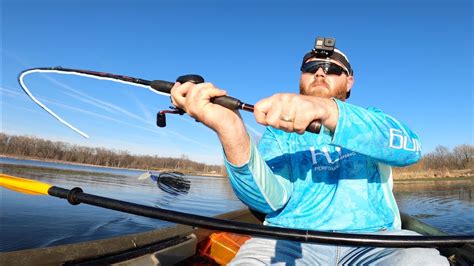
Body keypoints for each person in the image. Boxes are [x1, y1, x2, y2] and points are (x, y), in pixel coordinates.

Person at [170, 37, 448, 265]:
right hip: (288, 241)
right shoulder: (278, 134)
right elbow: (268, 202)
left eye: (333, 69)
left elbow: (410, 150)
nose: (320, 72)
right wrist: (229, 128)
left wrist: (328, 110)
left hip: (377, 242)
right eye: (312, 66)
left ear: (349, 81)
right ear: (301, 77)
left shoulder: (371, 120)